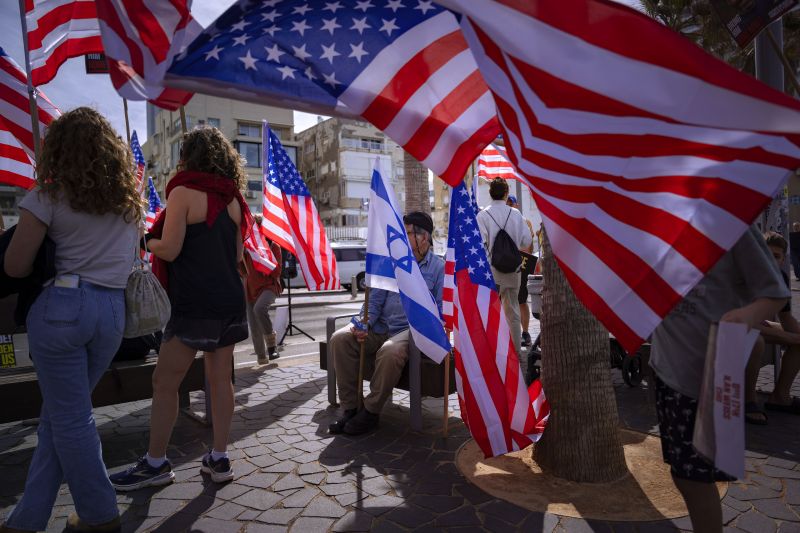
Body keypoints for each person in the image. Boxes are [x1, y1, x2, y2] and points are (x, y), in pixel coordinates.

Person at [0, 107, 140, 533]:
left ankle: (99, 514)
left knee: (70, 418)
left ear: (58, 148)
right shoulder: (128, 201)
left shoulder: (47, 196)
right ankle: (27, 520)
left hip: (63, 307)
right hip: (113, 314)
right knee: (60, 418)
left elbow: (15, 266)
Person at [110, 127, 251, 491]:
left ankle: (156, 463)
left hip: (193, 302)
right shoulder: (234, 200)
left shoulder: (184, 193)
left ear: (188, 156)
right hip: (228, 299)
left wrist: (146, 239)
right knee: (221, 380)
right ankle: (219, 457)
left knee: (164, 381)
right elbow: (236, 256)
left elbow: (170, 249)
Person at [649, 225, 788, 533]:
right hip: (666, 366)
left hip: (707, 374)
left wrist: (748, 315)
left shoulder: (733, 223)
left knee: (694, 479)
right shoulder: (661, 218)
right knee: (683, 473)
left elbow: (775, 291)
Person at [328, 211, 444, 436]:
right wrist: (363, 324)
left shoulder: (438, 268)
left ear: (423, 237)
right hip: (381, 327)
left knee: (390, 352)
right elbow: (374, 302)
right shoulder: (391, 264)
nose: (401, 237)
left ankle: (370, 412)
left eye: (407, 232)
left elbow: (439, 313)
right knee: (339, 339)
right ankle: (351, 408)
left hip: (411, 331)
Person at [744, 231, 800, 424]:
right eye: (766, 254)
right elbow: (742, 322)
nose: (770, 260)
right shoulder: (744, 276)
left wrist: (796, 335)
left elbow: (785, 317)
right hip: (733, 326)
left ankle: (780, 397)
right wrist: (791, 338)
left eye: (776, 256)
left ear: (783, 259)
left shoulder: (781, 278)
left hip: (758, 324)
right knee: (756, 341)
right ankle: (749, 400)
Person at [477, 178, 532, 355]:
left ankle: (494, 353)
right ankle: (515, 354)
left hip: (492, 271)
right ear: (506, 193)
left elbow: (480, 244)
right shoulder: (516, 215)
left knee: (491, 312)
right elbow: (527, 241)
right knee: (513, 312)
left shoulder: (483, 215)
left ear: (490, 193)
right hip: (513, 270)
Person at [241, 214, 283, 364]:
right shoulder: (246, 248)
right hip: (250, 288)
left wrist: (263, 259)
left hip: (269, 287)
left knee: (259, 309)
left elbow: (277, 272)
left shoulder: (273, 245)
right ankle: (261, 356)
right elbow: (241, 270)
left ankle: (272, 348)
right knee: (253, 324)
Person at [506, 194, 537, 348]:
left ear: (516, 206)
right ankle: (513, 333)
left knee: (522, 301)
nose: (510, 206)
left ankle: (525, 333)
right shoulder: (502, 222)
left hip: (522, 264)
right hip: (508, 265)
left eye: (512, 204)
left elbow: (528, 247)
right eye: (507, 204)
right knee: (507, 302)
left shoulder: (525, 222)